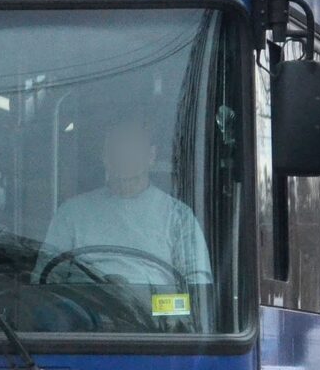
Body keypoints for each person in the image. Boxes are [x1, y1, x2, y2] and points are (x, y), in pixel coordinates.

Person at [38, 114, 212, 286]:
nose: (123, 154)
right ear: (104, 156)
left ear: (151, 156)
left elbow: (198, 284)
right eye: (116, 147)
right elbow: (46, 279)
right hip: (85, 310)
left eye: (132, 147)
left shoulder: (178, 216)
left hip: (156, 312)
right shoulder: (71, 213)